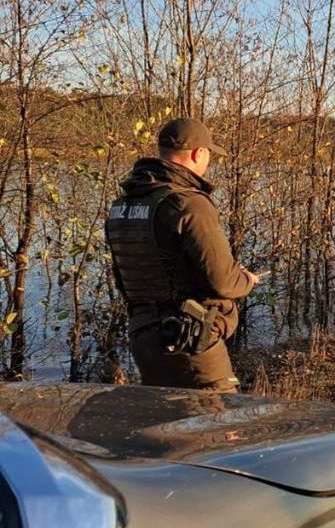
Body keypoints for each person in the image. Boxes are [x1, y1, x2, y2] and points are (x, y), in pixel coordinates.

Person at [104, 117, 259, 393]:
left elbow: (125, 276)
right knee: (219, 426)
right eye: (209, 154)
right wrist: (245, 280)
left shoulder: (124, 204)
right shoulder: (188, 203)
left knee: (165, 427)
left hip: (144, 338)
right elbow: (223, 281)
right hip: (190, 341)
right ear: (199, 153)